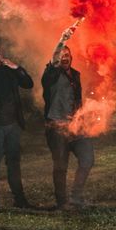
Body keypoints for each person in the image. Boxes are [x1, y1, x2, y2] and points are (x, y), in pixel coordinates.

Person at [0, 36, 34, 215]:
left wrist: (16, 67)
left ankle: (20, 199)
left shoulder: (9, 70)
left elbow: (28, 83)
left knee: (14, 162)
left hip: (13, 124)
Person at [42, 28, 94, 209]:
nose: (64, 57)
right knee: (61, 166)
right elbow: (54, 59)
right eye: (61, 54)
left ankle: (76, 196)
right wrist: (62, 40)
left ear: (71, 57)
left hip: (76, 127)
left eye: (67, 54)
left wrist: (81, 116)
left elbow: (77, 99)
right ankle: (61, 202)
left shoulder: (76, 75)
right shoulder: (51, 75)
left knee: (87, 159)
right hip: (57, 127)